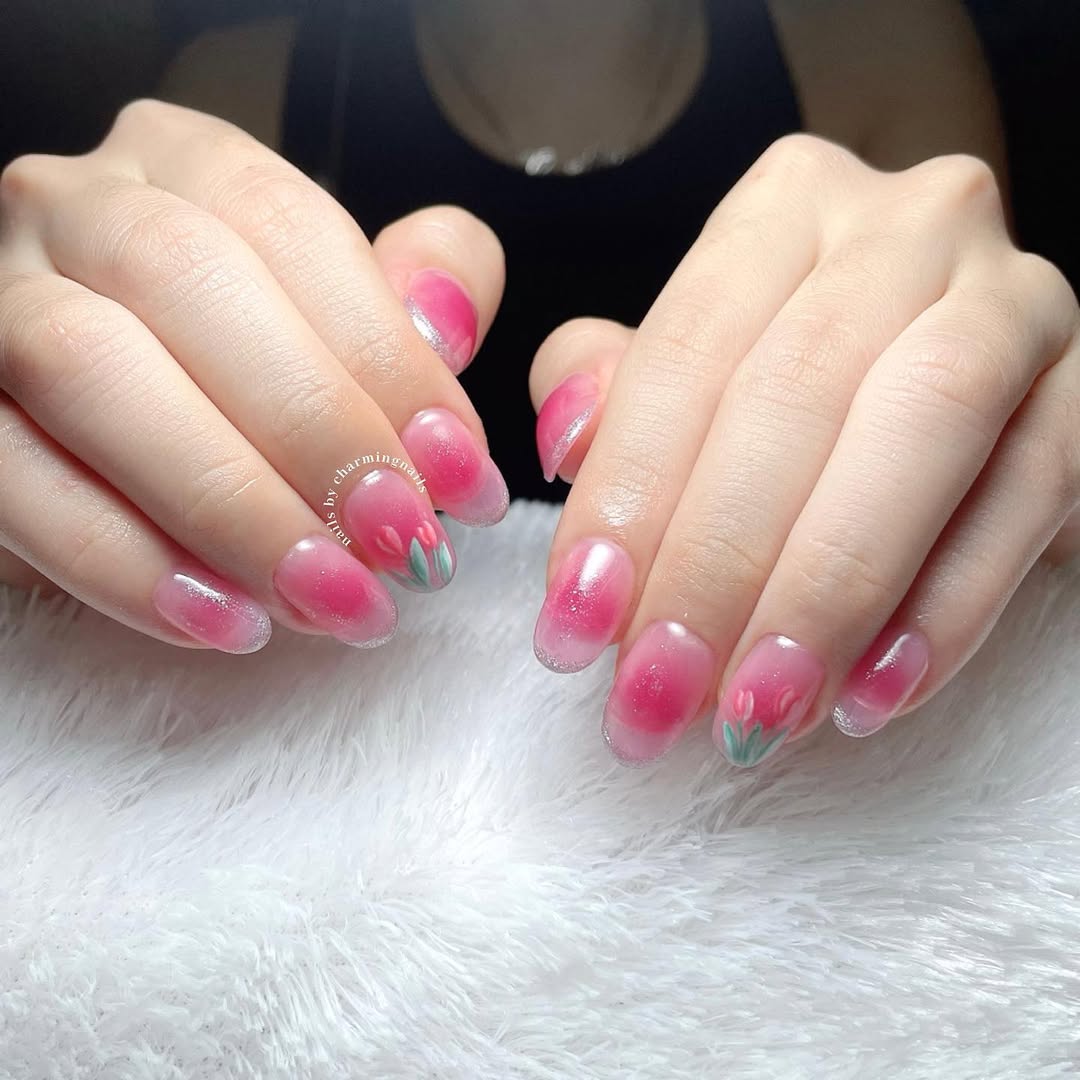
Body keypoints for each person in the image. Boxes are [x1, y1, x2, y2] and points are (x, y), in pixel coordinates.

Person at [0, 0, 1077, 768]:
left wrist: (987, 392)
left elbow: (963, 397)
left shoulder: (873, 36)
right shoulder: (247, 77)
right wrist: (70, 387)